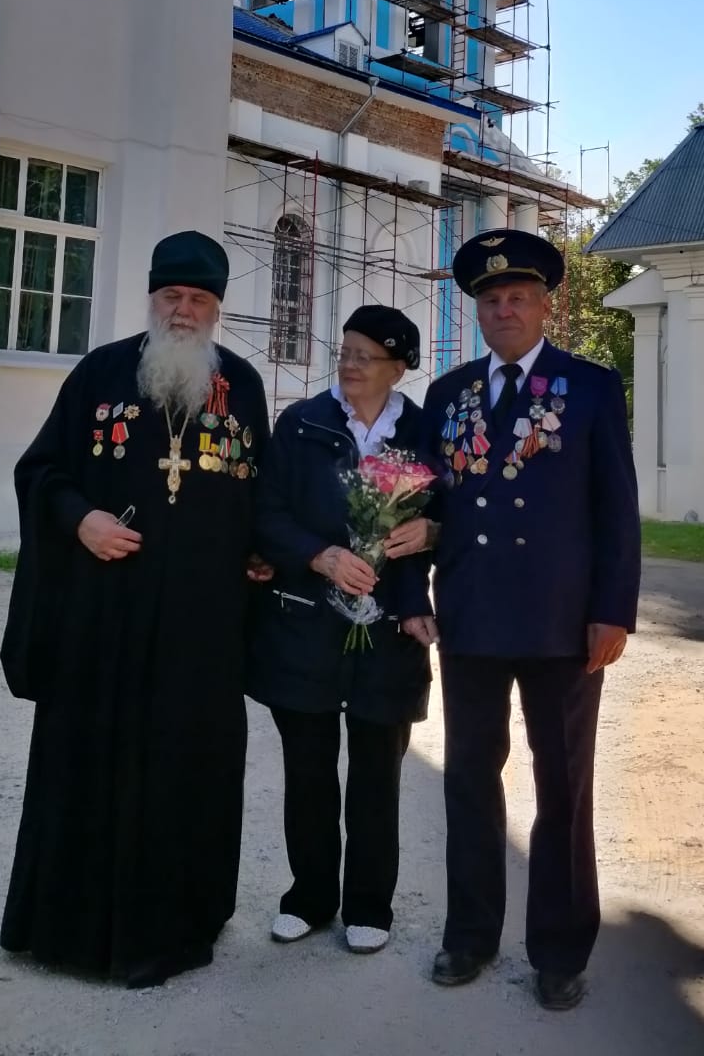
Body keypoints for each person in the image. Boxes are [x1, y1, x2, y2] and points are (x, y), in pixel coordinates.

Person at [0, 230, 271, 989]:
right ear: (153, 298)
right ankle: (70, 933)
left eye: (199, 299)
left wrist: (266, 551)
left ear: (217, 307)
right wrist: (80, 518)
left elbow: (265, 495)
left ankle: (177, 926)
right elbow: (40, 471)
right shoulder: (100, 372)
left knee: (187, 769)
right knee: (92, 761)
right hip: (103, 620)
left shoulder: (243, 386)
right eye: (172, 295)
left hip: (199, 630)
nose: (184, 310)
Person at [403, 230, 640, 1010]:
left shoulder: (591, 387)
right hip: (472, 614)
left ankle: (561, 948)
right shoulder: (450, 394)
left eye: (518, 297)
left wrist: (612, 610)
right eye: (491, 300)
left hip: (562, 623)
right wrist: (411, 589)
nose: (503, 309)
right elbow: (419, 504)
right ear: (477, 312)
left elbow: (617, 510)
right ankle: (470, 934)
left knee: (563, 783)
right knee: (469, 778)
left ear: (545, 307)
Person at [247, 305, 433, 956]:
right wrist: (319, 555)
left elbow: (454, 514)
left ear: (397, 368)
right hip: (306, 624)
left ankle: (369, 905)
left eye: (365, 356)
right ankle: (309, 895)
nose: (349, 365)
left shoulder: (422, 430)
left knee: (378, 773)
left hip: (389, 630)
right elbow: (266, 513)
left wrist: (432, 531)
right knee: (308, 769)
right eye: (345, 351)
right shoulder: (302, 423)